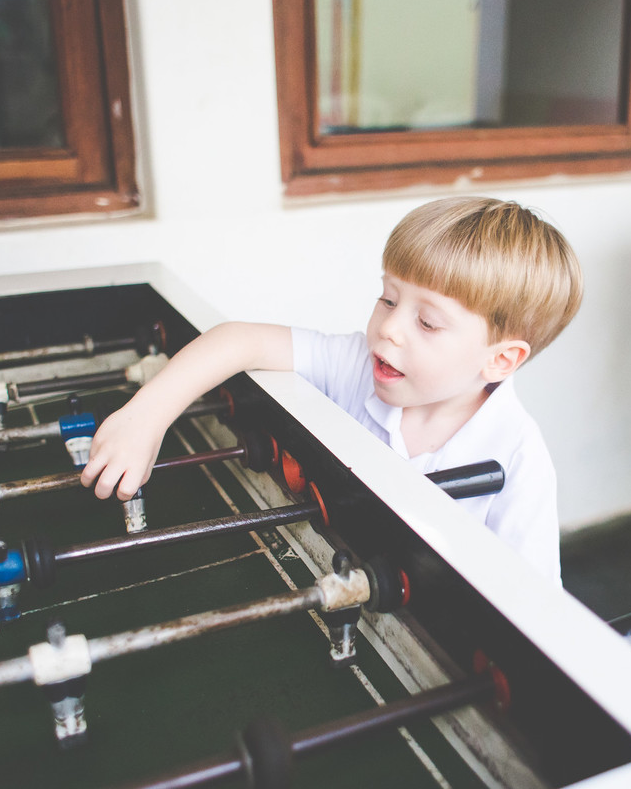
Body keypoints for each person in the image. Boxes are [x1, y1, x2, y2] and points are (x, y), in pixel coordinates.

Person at [81, 197, 583, 582]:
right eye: (387, 298)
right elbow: (241, 340)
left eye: (427, 322)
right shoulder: (358, 364)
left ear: (501, 360)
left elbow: (534, 608)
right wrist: (146, 415)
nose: (389, 329)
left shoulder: (519, 460)